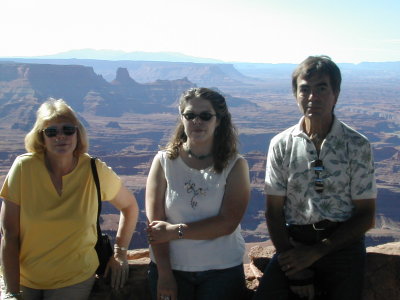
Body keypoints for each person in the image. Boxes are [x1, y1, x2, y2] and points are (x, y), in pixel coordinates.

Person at [253, 56, 377, 300]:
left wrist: (317, 252)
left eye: (321, 88)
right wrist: (296, 270)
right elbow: (273, 212)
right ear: (295, 94)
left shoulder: (357, 145)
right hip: (294, 244)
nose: (313, 97)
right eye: (305, 89)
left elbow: (366, 216)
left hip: (343, 248)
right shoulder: (281, 144)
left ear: (336, 93)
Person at [0, 98, 139, 300]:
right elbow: (9, 234)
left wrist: (120, 252)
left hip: (72, 281)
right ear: (41, 137)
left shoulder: (94, 170)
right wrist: (12, 292)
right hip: (23, 279)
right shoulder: (24, 168)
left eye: (67, 130)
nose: (60, 137)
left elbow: (129, 206)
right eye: (51, 132)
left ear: (77, 133)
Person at [145, 87, 250, 300]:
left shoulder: (235, 165)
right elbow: (156, 226)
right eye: (190, 115)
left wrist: (174, 231)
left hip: (222, 271)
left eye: (205, 116)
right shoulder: (164, 162)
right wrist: (165, 275)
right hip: (172, 270)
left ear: (218, 120)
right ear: (182, 118)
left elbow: (227, 222)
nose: (197, 122)